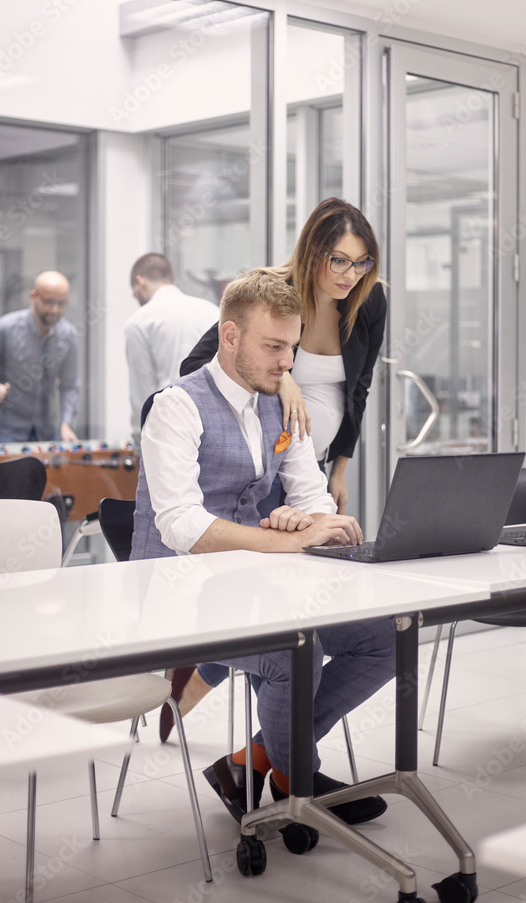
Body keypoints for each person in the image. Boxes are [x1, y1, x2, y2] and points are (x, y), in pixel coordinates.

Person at [130, 269, 395, 825]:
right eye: (273, 347)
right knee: (286, 654)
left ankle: (263, 759)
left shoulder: (279, 403)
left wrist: (315, 521)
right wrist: (292, 543)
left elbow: (314, 496)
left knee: (383, 639)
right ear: (230, 337)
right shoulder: (175, 406)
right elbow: (181, 526)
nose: (287, 364)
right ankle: (300, 786)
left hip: (254, 588)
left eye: (292, 348)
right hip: (176, 595)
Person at [162, 197, 387, 741]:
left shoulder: (368, 301)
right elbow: (198, 367)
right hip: (265, 475)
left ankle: (257, 750)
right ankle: (274, 764)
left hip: (312, 474)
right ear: (312, 252)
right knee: (275, 620)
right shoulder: (272, 295)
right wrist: (283, 376)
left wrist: (340, 467)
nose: (348, 274)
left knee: (293, 619)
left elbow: (358, 389)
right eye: (338, 260)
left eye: (360, 263)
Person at [0, 270, 80, 443]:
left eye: (61, 303)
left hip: (45, 431)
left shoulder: (68, 335)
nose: (55, 309)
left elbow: (69, 386)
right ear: (33, 296)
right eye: (49, 302)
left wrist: (66, 424)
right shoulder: (6, 328)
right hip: (2, 430)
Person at [125, 253, 219, 442]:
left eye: (135, 293)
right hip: (218, 422)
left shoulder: (140, 321)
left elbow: (142, 391)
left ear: (140, 281)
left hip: (170, 429)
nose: (137, 299)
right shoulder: (213, 311)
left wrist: (139, 439)